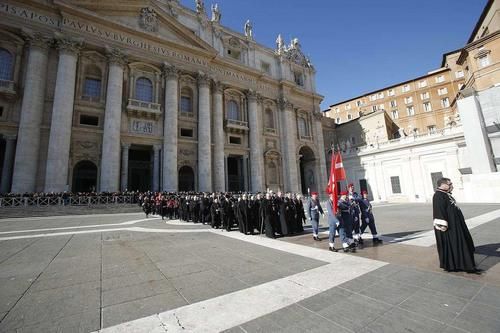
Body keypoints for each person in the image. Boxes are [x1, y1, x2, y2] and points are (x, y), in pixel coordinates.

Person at [433, 178, 480, 274]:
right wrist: (443, 226)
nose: (452, 186)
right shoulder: (438, 195)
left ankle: (462, 264)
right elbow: (439, 211)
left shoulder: (446, 194)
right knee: (453, 244)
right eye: (449, 184)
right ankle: (457, 265)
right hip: (449, 228)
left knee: (461, 243)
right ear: (443, 185)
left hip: (456, 225)